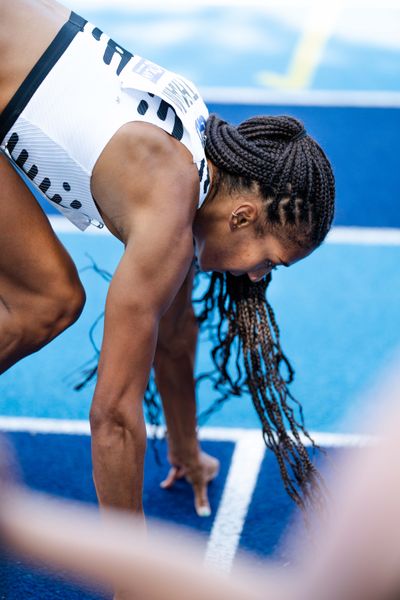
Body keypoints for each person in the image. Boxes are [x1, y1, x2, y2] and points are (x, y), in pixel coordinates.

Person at [0, 0, 335, 522]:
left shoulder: (199, 166)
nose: (257, 276)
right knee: (46, 302)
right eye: (269, 261)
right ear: (244, 217)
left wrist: (184, 448)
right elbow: (112, 416)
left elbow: (175, 337)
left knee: (50, 299)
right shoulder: (169, 208)